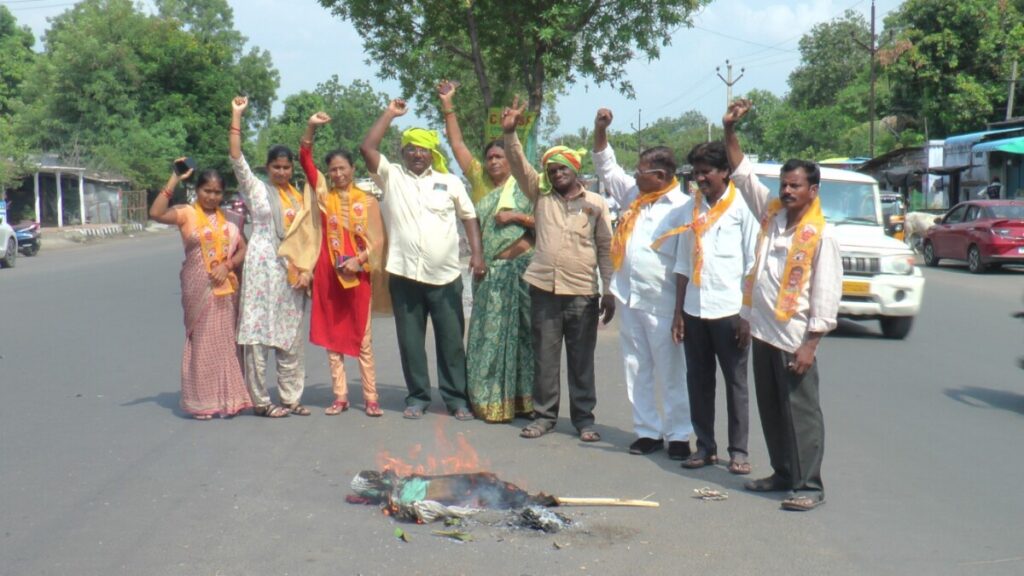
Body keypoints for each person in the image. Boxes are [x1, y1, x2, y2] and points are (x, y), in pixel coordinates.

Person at [723, 98, 842, 511]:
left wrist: (811, 344)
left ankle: (809, 486)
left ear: (813, 190)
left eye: (796, 186)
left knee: (800, 412)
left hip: (794, 337)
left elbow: (826, 294)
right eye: (784, 185)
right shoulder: (772, 216)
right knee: (772, 408)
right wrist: (729, 129)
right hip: (763, 332)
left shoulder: (821, 235)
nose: (788, 191)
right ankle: (782, 473)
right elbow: (740, 173)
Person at [359, 98, 486, 421]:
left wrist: (477, 255)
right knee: (411, 343)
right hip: (404, 276)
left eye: (424, 149)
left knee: (452, 342)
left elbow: (469, 217)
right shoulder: (392, 177)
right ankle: (417, 397)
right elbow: (367, 148)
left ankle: (456, 398)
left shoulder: (450, 182)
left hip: (445, 277)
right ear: (403, 152)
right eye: (412, 148)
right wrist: (389, 113)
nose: (418, 154)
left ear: (433, 153)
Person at [502, 98, 615, 442]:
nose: (556, 174)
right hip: (544, 290)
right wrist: (511, 133)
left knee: (581, 361)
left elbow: (606, 248)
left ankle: (584, 420)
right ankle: (544, 416)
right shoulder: (541, 195)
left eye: (562, 169)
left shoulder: (595, 204)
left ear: (575, 171)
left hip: (582, 292)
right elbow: (520, 165)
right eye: (551, 170)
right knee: (545, 358)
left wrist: (609, 290)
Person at [590, 108, 692, 458]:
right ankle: (647, 431)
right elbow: (605, 164)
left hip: (664, 304)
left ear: (661, 175)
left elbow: (685, 264)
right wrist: (600, 129)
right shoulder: (634, 196)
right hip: (631, 298)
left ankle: (679, 435)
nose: (635, 175)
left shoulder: (683, 208)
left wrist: (680, 312)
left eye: (642, 171)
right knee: (636, 367)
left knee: (671, 372)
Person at [437, 81, 535, 423]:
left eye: (501, 156)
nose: (494, 161)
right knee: (486, 337)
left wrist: (518, 219)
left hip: (522, 274)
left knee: (523, 336)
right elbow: (457, 143)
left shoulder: (526, 184)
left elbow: (543, 225)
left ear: (512, 160)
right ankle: (487, 398)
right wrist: (448, 105)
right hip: (489, 273)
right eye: (490, 157)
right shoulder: (478, 182)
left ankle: (522, 399)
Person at [658, 141, 758, 474]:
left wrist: (747, 315)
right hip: (695, 309)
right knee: (698, 381)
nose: (700, 179)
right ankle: (705, 446)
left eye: (706, 172)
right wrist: (678, 313)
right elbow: (683, 265)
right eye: (696, 173)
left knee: (736, 383)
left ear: (725, 172)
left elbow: (752, 265)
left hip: (731, 310)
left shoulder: (742, 207)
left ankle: (738, 451)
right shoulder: (692, 208)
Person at [292, 111, 388, 417]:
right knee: (333, 339)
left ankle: (371, 397)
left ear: (352, 169)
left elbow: (378, 242)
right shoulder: (323, 195)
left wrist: (359, 262)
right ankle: (340, 395)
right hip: (328, 277)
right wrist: (311, 127)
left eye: (342, 168)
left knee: (363, 338)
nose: (337, 174)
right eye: (332, 170)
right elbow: (305, 159)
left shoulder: (367, 201)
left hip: (358, 278)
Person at [229, 96, 312, 418]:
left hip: (291, 270)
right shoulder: (257, 189)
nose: (281, 171)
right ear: (267, 168)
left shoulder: (298, 195)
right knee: (259, 333)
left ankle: (292, 397)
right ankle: (262, 401)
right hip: (263, 266)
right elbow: (236, 156)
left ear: (292, 169)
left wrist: (307, 269)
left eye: (286, 167)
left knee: (290, 334)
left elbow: (308, 236)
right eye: (275, 167)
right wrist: (237, 115)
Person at [149, 163, 251, 420]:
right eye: (207, 190)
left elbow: (243, 249)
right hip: (197, 287)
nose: (212, 196)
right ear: (197, 190)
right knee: (203, 341)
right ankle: (201, 400)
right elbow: (156, 213)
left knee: (226, 342)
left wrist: (228, 265)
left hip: (225, 288)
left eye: (217, 192)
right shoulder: (186, 213)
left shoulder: (230, 219)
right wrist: (174, 177)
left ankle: (230, 399)